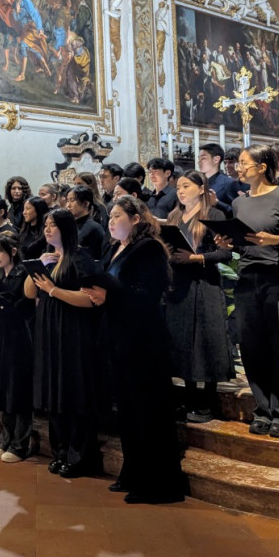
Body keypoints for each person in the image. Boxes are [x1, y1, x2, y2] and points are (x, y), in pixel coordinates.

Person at [97, 196, 187, 503]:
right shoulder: (115, 249)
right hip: (120, 339)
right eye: (110, 216)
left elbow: (147, 294)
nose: (110, 221)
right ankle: (133, 472)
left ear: (136, 219)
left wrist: (108, 295)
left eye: (117, 216)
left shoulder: (149, 249)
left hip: (144, 341)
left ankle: (160, 484)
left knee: (150, 412)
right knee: (128, 411)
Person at [214, 144, 279, 438]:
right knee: (252, 348)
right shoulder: (240, 203)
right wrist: (228, 244)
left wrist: (274, 240)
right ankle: (263, 411)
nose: (238, 168)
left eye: (243, 163)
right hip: (247, 278)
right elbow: (243, 244)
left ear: (262, 167)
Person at [25, 209, 104, 478]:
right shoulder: (47, 257)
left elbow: (90, 299)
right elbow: (29, 292)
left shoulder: (79, 257)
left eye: (53, 225)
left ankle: (79, 456)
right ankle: (61, 452)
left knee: (73, 391)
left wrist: (54, 290)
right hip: (49, 328)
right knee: (54, 391)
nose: (47, 229)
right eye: (45, 225)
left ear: (66, 229)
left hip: (73, 330)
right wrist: (38, 266)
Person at [164, 172, 234, 422]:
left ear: (201, 189)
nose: (181, 191)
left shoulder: (214, 215)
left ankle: (208, 400)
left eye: (186, 186)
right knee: (183, 340)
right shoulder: (174, 216)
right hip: (179, 284)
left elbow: (226, 254)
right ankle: (189, 397)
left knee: (206, 339)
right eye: (178, 187)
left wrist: (196, 257)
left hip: (205, 283)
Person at [0, 233, 35, 462]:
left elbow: (25, 309)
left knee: (17, 389)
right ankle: (6, 438)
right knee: (2, 387)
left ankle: (20, 444)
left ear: (12, 251)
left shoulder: (23, 274)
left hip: (17, 337)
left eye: (0, 251)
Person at [64, 185, 105, 261]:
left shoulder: (94, 228)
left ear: (86, 203)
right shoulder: (67, 225)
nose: (68, 205)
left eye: (72, 200)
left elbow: (95, 259)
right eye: (67, 201)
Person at [198, 142, 237, 207]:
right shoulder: (198, 182)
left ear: (216, 159)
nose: (199, 162)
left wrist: (217, 203)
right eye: (199, 158)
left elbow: (236, 210)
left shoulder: (229, 183)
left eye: (203, 158)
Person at [19, 195, 49, 260]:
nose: (24, 213)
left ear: (38, 209)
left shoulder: (46, 232)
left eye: (27, 209)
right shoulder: (24, 231)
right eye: (24, 209)